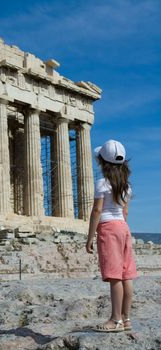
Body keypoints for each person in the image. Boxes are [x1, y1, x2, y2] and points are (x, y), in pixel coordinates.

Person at [86, 140, 137, 332]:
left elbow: (97, 211)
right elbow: (125, 213)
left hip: (108, 228)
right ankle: (126, 318)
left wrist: (90, 236)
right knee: (126, 275)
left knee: (114, 276)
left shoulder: (102, 183)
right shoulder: (127, 187)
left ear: (102, 162)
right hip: (124, 228)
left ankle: (115, 320)